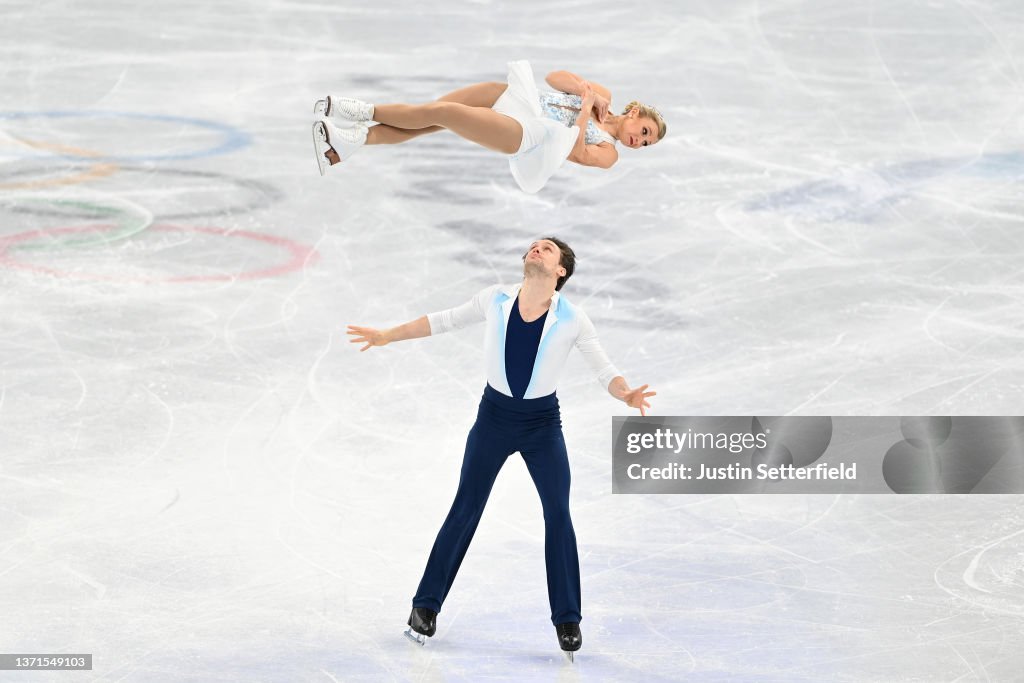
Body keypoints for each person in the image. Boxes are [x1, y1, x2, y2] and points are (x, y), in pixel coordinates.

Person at [347, 237, 655, 659]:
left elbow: (605, 370)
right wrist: (388, 335)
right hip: (493, 420)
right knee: (465, 507)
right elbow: (442, 321)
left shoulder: (573, 319)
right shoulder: (495, 299)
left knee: (558, 514)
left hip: (542, 427)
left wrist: (626, 394)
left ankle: (568, 619)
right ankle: (425, 606)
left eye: (547, 249)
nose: (537, 249)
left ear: (561, 271)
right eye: (534, 246)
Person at [312, 61, 667, 193]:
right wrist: (588, 93)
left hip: (527, 133)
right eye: (645, 132)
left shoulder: (609, 154)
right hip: (521, 97)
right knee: (431, 115)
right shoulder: (605, 96)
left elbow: (575, 153)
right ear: (635, 112)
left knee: (444, 113)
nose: (639, 141)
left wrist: (585, 110)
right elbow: (553, 77)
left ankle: (357, 112)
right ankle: (352, 141)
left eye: (645, 144)